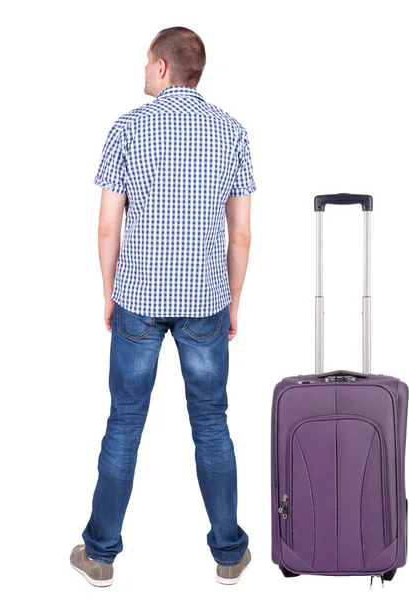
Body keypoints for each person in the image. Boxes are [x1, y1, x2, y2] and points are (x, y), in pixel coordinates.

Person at [70, 25, 257, 587]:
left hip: (137, 301)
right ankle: (229, 554)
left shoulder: (128, 128)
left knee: (123, 425)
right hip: (205, 301)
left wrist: (109, 294)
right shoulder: (232, 132)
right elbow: (242, 233)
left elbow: (108, 225)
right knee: (212, 426)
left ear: (160, 67)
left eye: (146, 60)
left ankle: (99, 556)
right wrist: (233, 301)